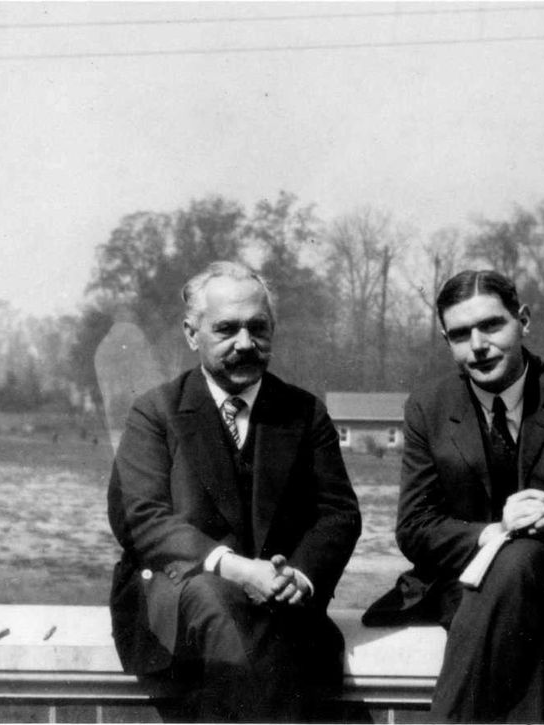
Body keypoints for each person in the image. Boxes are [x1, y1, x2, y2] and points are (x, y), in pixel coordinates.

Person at [363, 269, 544, 722]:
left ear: (523, 320)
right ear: (446, 340)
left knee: (524, 559)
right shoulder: (428, 407)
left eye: (492, 325)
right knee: (516, 580)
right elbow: (414, 528)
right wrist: (498, 531)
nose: (477, 345)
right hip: (464, 584)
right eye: (459, 334)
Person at [107, 261, 361, 722]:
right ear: (191, 334)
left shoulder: (304, 413)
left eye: (258, 329)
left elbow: (337, 516)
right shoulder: (156, 412)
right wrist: (240, 570)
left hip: (280, 609)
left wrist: (298, 577)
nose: (245, 343)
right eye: (227, 330)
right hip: (175, 607)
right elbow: (140, 517)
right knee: (215, 599)